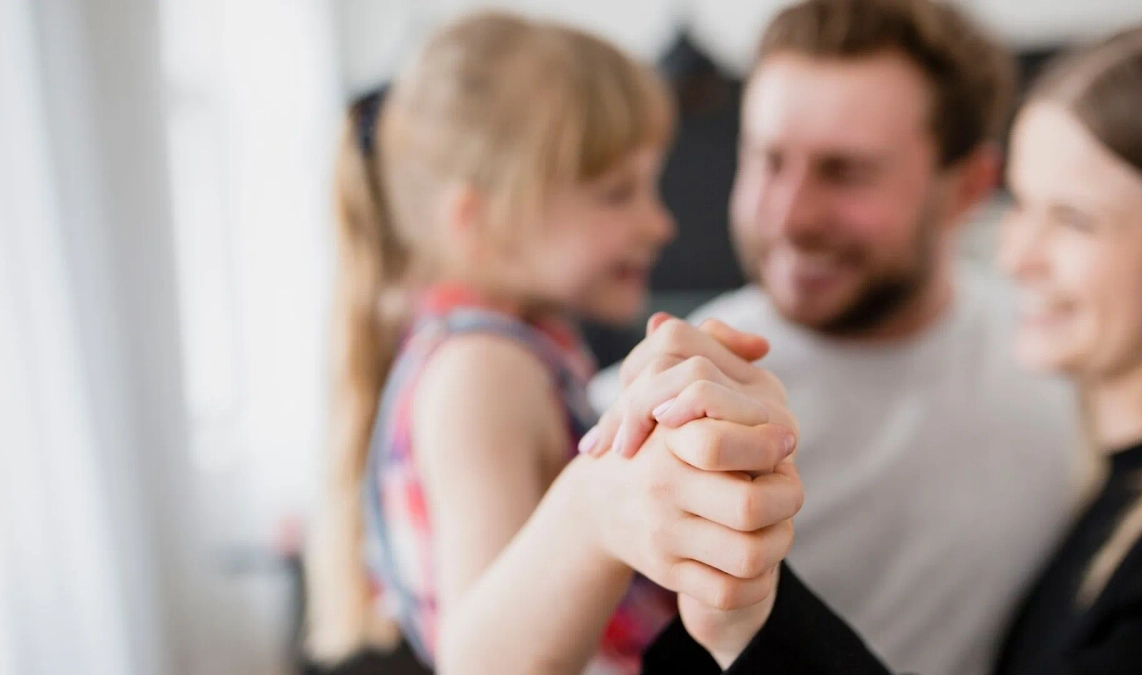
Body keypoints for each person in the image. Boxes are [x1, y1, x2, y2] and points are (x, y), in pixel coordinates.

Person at [639, 13, 1142, 674]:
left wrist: (748, 612)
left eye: (1074, 219)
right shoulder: (1127, 481)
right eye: (1022, 204)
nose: (1016, 257)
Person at [303, 11, 806, 675]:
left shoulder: (508, 349)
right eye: (617, 194)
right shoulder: (484, 370)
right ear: (477, 219)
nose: (658, 223)